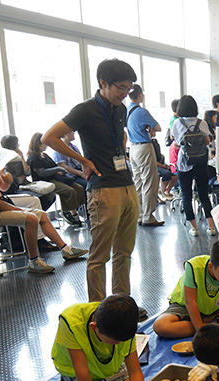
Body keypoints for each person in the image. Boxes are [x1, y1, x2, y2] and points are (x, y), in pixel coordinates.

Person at [42, 59, 143, 317]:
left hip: (126, 184)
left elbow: (119, 136)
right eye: (120, 87)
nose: (124, 93)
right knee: (99, 256)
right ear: (103, 83)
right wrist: (83, 160)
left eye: (128, 88)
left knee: (125, 252)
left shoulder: (120, 109)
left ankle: (122, 305)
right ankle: (98, 310)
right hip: (102, 190)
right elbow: (49, 137)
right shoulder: (86, 109)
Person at [0, 130, 88, 274]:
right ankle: (34, 261)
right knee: (31, 217)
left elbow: (2, 187)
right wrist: (21, 211)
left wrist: (7, 179)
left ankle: (66, 250)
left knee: (41, 214)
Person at [153, 240, 219, 339]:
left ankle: (210, 319)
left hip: (214, 305)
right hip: (186, 306)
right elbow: (190, 302)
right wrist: (201, 330)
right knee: (160, 326)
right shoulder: (194, 266)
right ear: (211, 267)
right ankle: (209, 323)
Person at [172, 95, 216, 237]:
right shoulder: (201, 123)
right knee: (204, 196)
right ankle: (211, 227)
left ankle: (195, 229)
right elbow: (208, 140)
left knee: (186, 196)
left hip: (185, 164)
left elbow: (177, 143)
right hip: (201, 163)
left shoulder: (178, 124)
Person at [27, 132, 86, 227]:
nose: (46, 145)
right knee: (68, 191)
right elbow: (42, 173)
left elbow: (53, 166)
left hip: (55, 178)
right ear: (37, 144)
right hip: (46, 182)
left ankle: (75, 210)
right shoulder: (33, 158)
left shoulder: (44, 155)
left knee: (78, 188)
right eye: (44, 143)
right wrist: (57, 169)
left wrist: (58, 171)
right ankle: (71, 213)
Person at [126, 84, 164, 227]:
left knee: (139, 183)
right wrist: (150, 127)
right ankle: (148, 216)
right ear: (140, 95)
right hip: (144, 148)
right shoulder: (141, 112)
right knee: (149, 182)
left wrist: (147, 127)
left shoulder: (127, 110)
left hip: (133, 149)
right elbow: (158, 127)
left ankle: (140, 215)